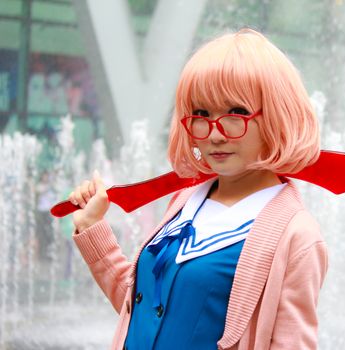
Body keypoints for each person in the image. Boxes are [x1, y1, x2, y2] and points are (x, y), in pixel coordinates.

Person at [68, 28, 328, 350]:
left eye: (236, 113)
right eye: (201, 114)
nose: (215, 134)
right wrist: (93, 228)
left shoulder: (296, 236)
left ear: (276, 115)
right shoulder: (186, 201)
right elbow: (142, 311)